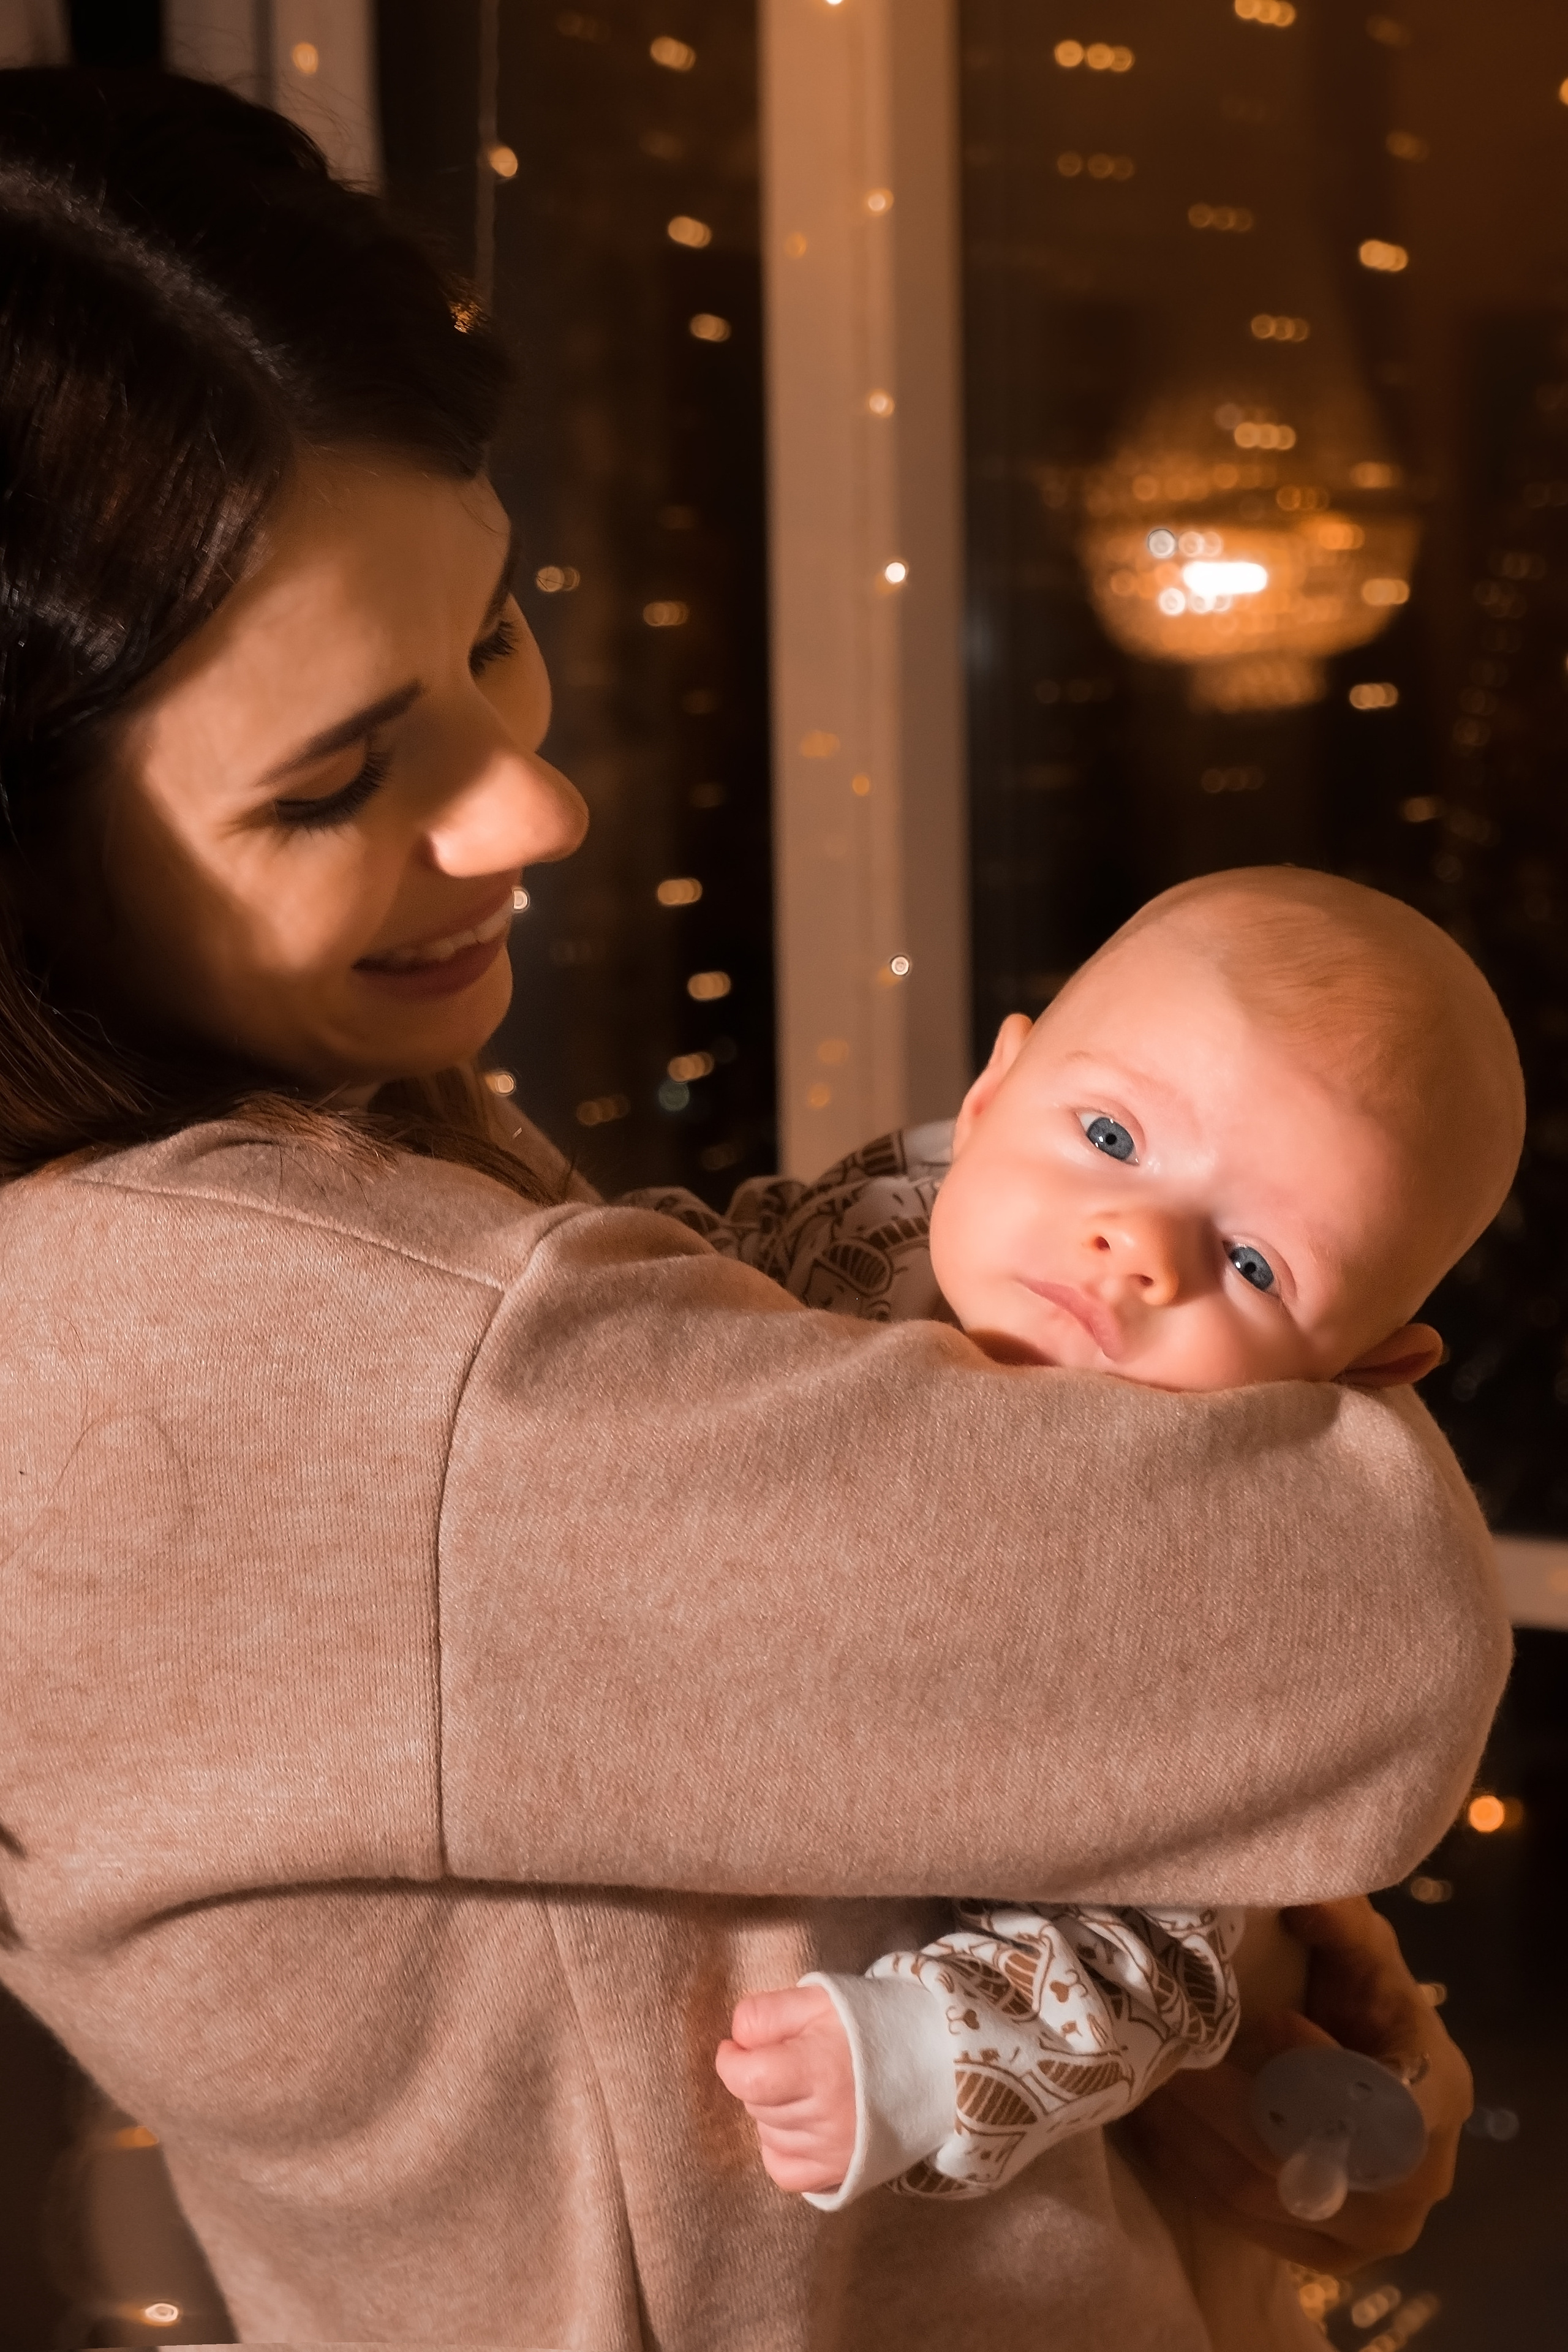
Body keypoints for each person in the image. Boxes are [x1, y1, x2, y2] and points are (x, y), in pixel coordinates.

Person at [0, 67, 1501, 2352]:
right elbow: (1364, 1622)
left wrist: (1190, 2011)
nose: (542, 806)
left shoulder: (318, 1159)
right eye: (338, 779)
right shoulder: (272, 1357)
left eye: (495, 635)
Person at [669, 870, 1517, 2230]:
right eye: (1111, 1134)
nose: (1134, 1246)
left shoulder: (1228, 1565)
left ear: (1358, 1370)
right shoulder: (856, 1239)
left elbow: (1166, 1958)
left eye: (1251, 1265)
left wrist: (913, 2059)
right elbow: (670, 1277)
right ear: (994, 1095)